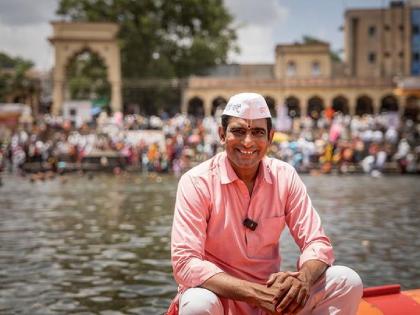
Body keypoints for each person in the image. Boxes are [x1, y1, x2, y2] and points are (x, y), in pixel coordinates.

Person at [169, 93, 362, 315]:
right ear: (222, 135)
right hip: (221, 301)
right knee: (197, 302)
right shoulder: (197, 182)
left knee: (347, 280)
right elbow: (185, 263)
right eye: (238, 131)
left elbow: (316, 242)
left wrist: (303, 279)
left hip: (273, 301)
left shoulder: (284, 176)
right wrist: (256, 294)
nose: (248, 142)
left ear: (270, 137)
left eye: (257, 132)